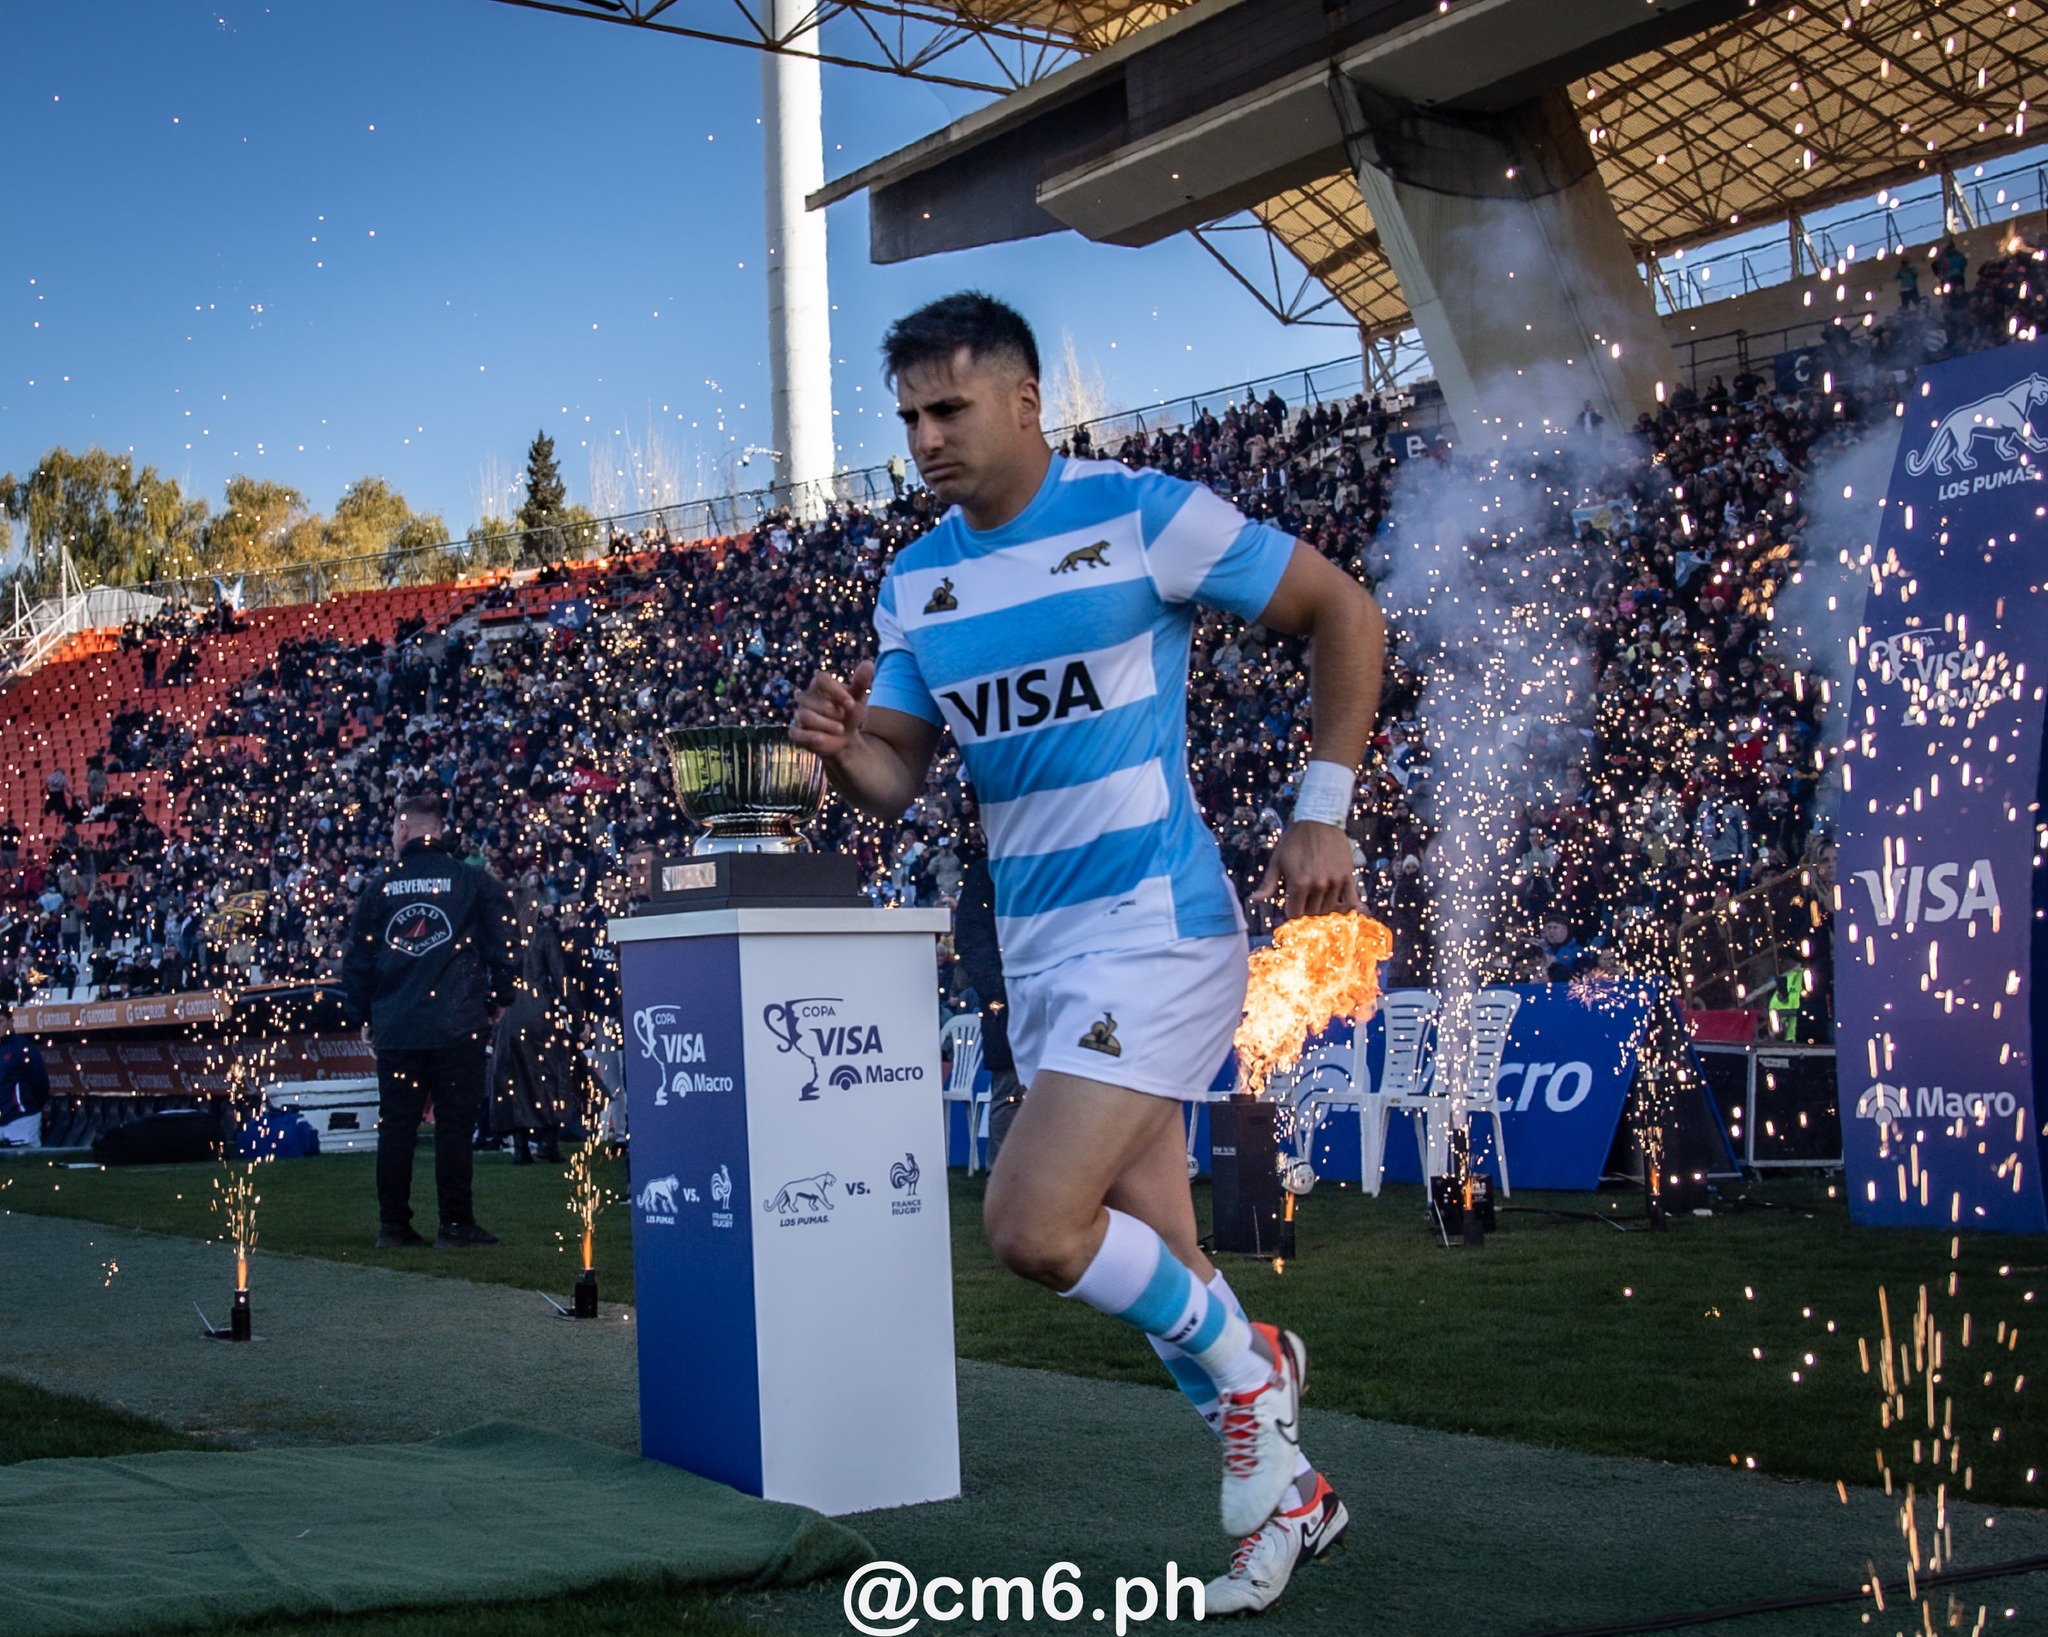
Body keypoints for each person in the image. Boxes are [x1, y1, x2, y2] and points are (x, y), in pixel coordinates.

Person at [791, 292, 1384, 1614]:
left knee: (1034, 1226)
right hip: (1041, 952)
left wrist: (1321, 808)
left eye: (949, 410)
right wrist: (843, 750)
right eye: (908, 419)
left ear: (1022, 404)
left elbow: (1345, 613)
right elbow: (899, 775)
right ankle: (1293, 1499)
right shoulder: (918, 578)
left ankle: (1256, 1374)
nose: (926, 438)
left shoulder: (1140, 513)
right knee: (1168, 1262)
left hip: (1156, 928)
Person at [342, 790, 516, 1250]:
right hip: (457, 1022)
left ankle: (393, 1226)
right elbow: (505, 942)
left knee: (397, 1125)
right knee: (454, 1127)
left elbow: (357, 959)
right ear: (440, 831)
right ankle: (456, 1225)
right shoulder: (470, 881)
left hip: (398, 1025)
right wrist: (501, 997)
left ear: (403, 828)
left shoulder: (379, 887)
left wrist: (362, 1014)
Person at [0, 1007, 50, 1147]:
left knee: (26, 1162)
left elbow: (39, 1081)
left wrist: (32, 1105)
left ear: (11, 1022)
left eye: (1, 1021)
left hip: (22, 1118)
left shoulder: (22, 1047)